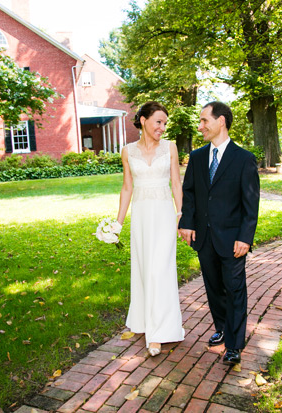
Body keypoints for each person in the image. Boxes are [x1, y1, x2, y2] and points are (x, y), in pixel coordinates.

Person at [178, 101, 260, 365]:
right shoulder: (198, 157)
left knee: (234, 289)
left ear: (221, 121)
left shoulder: (244, 159)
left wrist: (245, 237)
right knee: (214, 288)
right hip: (204, 237)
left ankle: (235, 345)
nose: (200, 126)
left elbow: (250, 203)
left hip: (233, 239)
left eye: (204, 120)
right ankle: (223, 329)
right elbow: (189, 193)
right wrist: (186, 222)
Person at [117, 101, 185, 356]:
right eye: (158, 122)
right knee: (145, 270)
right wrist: (118, 223)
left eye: (164, 123)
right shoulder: (127, 151)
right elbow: (127, 188)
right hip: (141, 216)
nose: (162, 127)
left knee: (160, 271)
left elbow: (176, 184)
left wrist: (182, 216)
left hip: (165, 215)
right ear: (143, 120)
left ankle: (158, 333)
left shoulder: (170, 148)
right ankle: (146, 322)